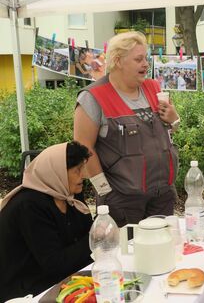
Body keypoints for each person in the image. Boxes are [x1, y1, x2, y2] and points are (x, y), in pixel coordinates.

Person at [74, 31, 180, 227]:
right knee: (127, 255)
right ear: (118, 61)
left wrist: (174, 121)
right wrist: (105, 192)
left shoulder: (154, 88)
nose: (146, 64)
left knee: (160, 253)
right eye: (138, 59)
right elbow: (83, 149)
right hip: (123, 202)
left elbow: (165, 134)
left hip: (162, 195)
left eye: (146, 59)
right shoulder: (93, 97)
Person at [0, 142, 93, 301]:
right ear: (57, 173)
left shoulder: (69, 194)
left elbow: (87, 236)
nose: (83, 175)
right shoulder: (29, 206)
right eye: (77, 170)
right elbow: (55, 264)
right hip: (26, 290)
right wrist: (95, 238)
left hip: (62, 279)